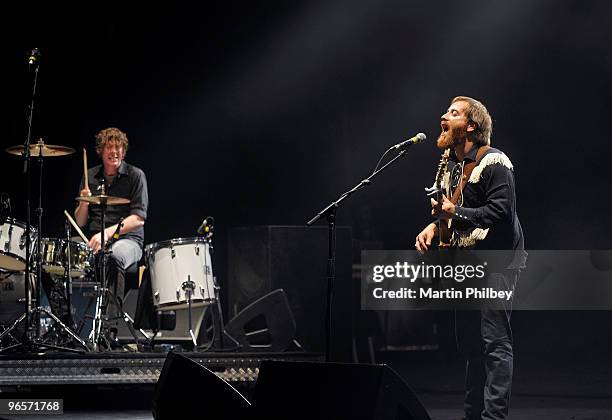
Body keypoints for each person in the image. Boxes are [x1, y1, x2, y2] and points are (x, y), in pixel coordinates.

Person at [415, 96, 526, 420]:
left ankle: (493, 417)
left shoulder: (495, 162)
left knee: (494, 341)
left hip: (497, 260)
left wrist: (455, 211)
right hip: (468, 261)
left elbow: (501, 212)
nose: (443, 116)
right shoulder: (450, 163)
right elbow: (452, 211)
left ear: (472, 125)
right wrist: (434, 228)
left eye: (453, 113)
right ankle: (471, 413)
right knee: (469, 343)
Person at [75, 127, 148, 317]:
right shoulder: (89, 176)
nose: (114, 152)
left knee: (113, 256)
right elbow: (80, 221)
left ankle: (109, 326)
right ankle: (68, 320)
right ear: (100, 150)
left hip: (128, 240)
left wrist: (107, 234)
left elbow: (138, 220)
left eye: (118, 147)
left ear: (124, 151)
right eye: (109, 147)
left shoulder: (135, 175)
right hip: (94, 239)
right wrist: (83, 202)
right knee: (61, 256)